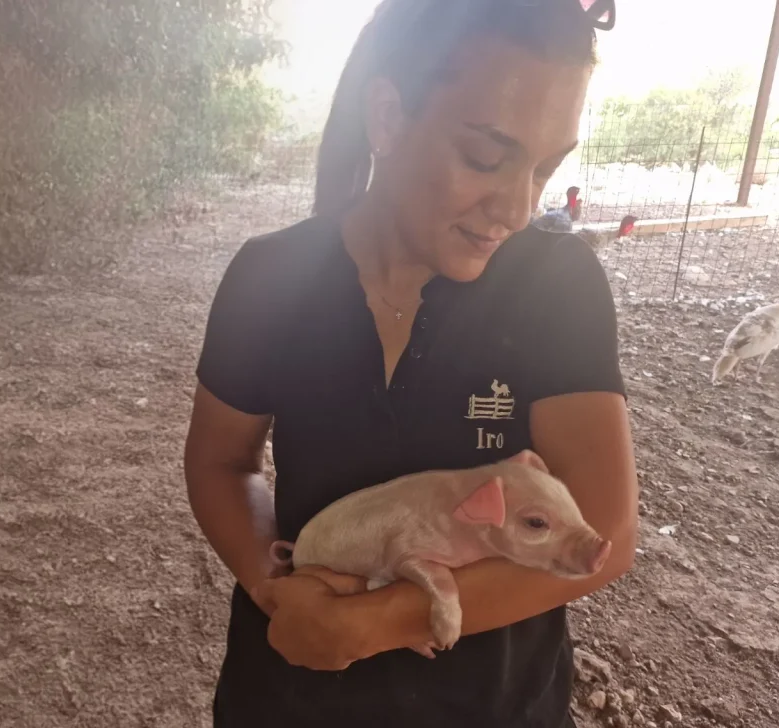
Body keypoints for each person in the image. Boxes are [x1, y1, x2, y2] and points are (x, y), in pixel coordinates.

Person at [184, 0, 638, 725]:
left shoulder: (555, 286)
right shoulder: (270, 277)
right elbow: (221, 461)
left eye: (545, 168)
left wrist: (377, 621)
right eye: (487, 157)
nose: (518, 208)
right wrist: (279, 588)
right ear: (389, 115)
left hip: (494, 705)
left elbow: (605, 531)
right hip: (292, 698)